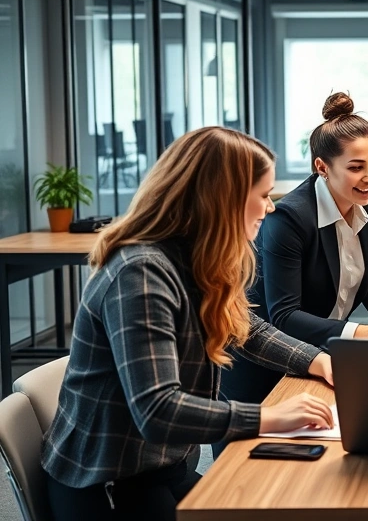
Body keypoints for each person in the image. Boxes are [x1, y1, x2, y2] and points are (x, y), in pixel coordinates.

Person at [42, 127, 337, 521]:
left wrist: (319, 362)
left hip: (162, 467)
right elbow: (158, 411)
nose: (269, 208)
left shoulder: (194, 257)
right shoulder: (141, 273)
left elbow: (247, 328)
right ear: (224, 200)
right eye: (263, 195)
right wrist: (269, 417)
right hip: (109, 482)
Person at [222, 92, 368, 405]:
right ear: (322, 166)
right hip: (262, 368)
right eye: (356, 167)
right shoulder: (289, 218)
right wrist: (365, 333)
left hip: (320, 358)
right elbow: (284, 316)